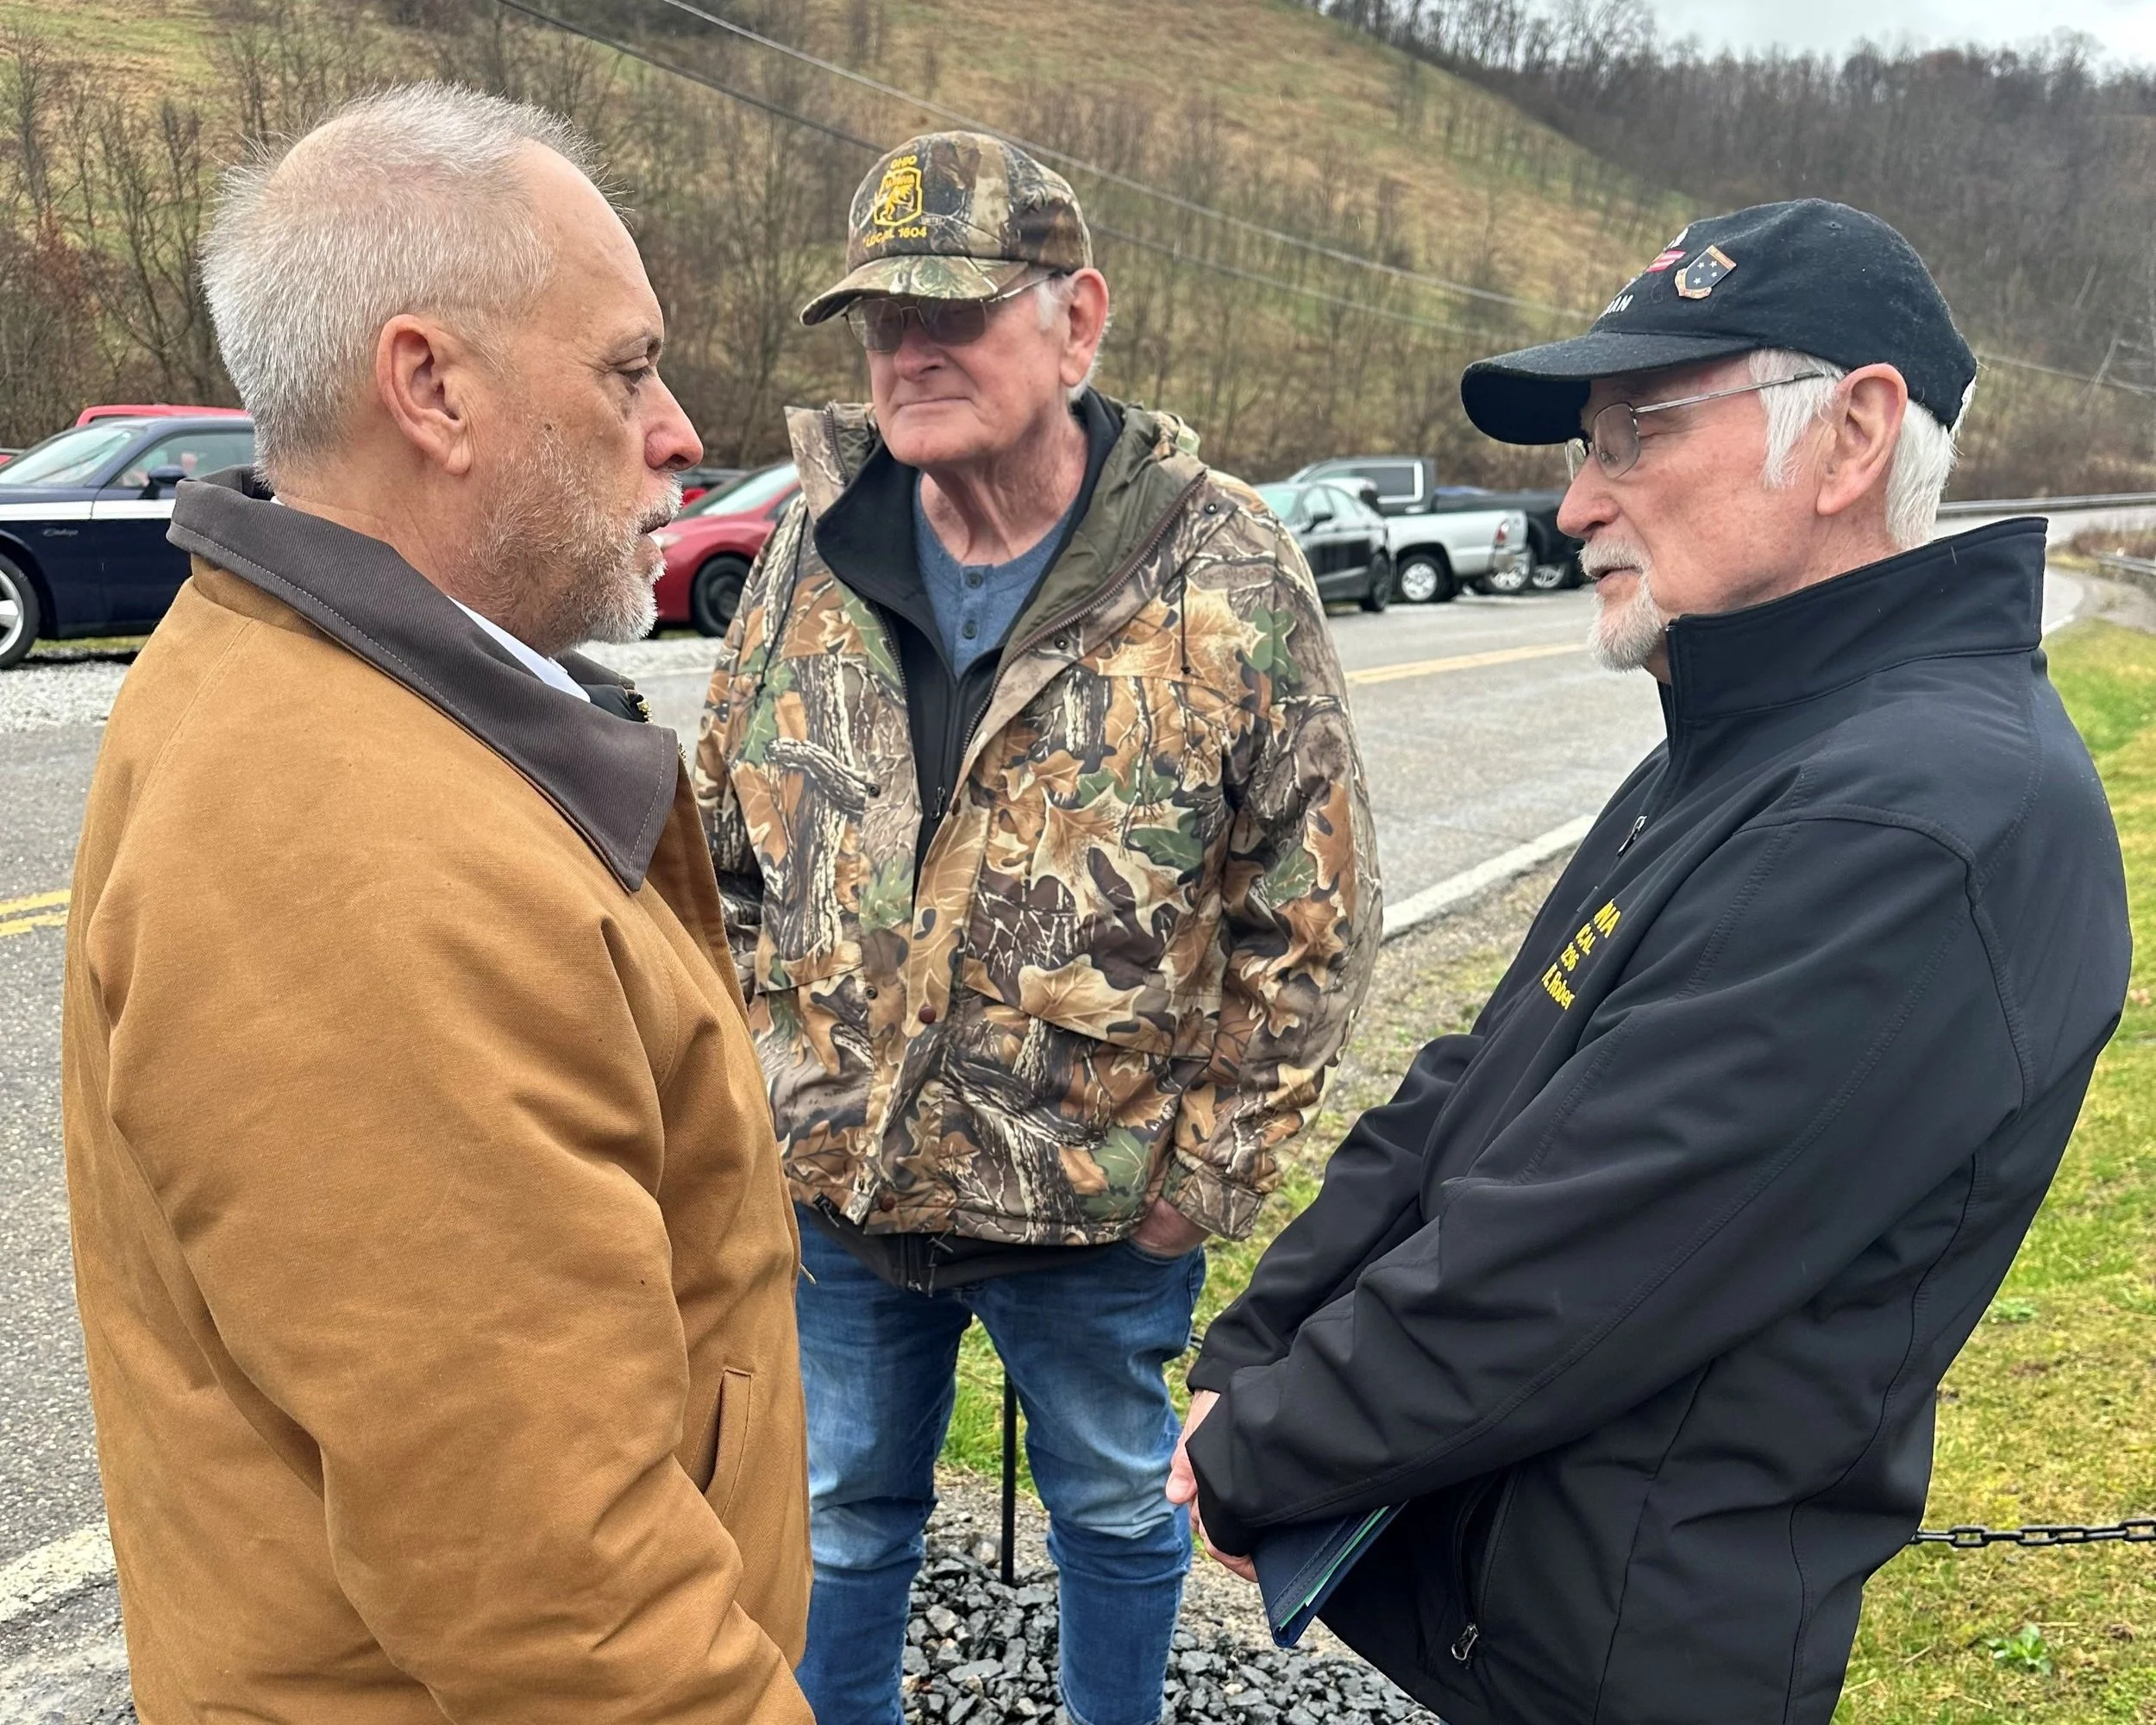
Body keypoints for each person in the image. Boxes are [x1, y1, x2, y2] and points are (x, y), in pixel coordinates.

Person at [1169, 199, 2132, 1725]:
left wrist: (1263, 1448)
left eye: (1632, 435)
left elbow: (1588, 1241)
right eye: (1582, 448)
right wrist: (1260, 1335)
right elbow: (1483, 1080)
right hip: (1521, 1614)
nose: (1575, 505)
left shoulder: (1925, 816)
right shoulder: (1756, 736)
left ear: (1851, 437)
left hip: (1639, 1655)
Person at [63, 85, 812, 1722]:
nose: (681, 426)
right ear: (432, 387)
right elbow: (562, 1602)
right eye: (628, 366)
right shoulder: (349, 846)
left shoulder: (324, 697)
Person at [693, 131, 1380, 1725]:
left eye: (958, 311)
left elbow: (1309, 907)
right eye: (880, 322)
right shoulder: (811, 554)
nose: (910, 351)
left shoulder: (1220, 568)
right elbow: (715, 846)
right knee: (847, 1512)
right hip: (841, 1193)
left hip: (1097, 1201)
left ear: (1079, 323)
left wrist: (1194, 1180)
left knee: (1118, 1510)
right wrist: (759, 1083)